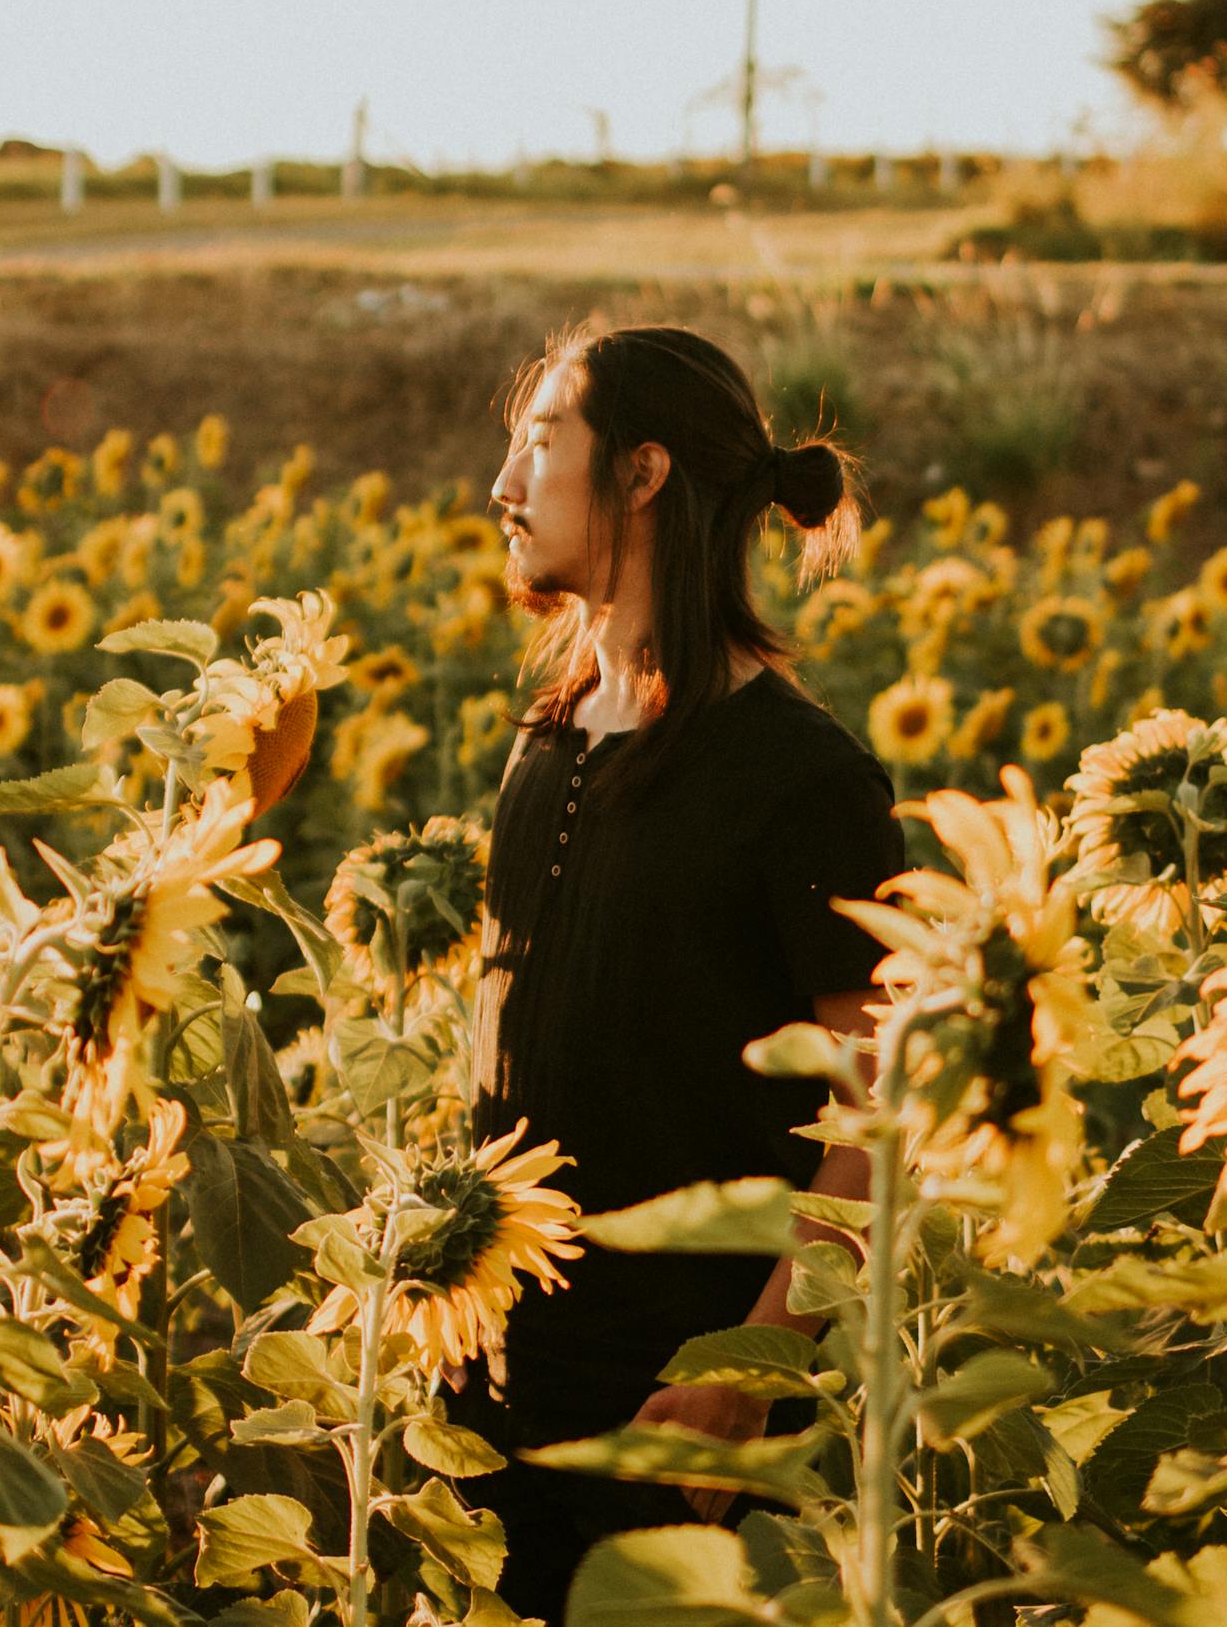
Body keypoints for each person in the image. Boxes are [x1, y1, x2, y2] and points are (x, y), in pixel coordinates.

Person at [442, 319, 906, 1622]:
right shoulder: (551, 735)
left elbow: (878, 1120)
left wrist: (748, 1371)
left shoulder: (801, 778)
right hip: (495, 1379)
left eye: (542, 446)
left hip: (672, 1403)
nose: (504, 486)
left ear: (643, 474)